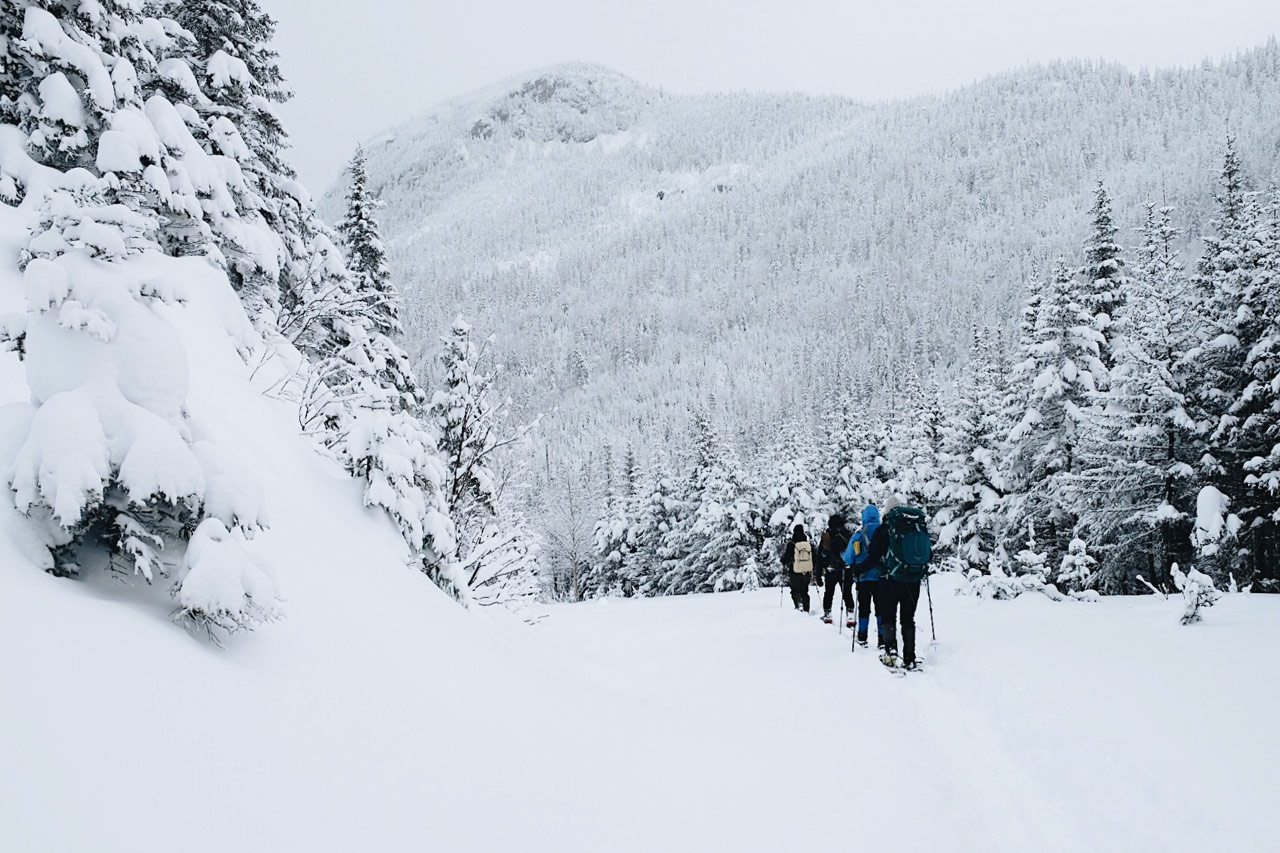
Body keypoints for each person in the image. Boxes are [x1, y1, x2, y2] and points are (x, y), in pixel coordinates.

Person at [858, 495, 928, 670]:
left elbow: (873, 558)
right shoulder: (914, 528)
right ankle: (910, 657)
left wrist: (858, 569)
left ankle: (891, 652)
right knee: (908, 619)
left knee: (889, 616)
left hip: (889, 580)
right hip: (913, 579)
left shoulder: (883, 530)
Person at [842, 503, 884, 647]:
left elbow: (848, 557)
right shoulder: (884, 532)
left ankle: (862, 636)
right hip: (881, 577)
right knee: (881, 609)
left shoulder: (859, 535)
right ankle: (882, 638)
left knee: (864, 608)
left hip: (863, 577)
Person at [818, 513, 854, 624]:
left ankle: (827, 614)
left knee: (829, 593)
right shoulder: (848, 535)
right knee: (847, 593)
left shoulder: (827, 536)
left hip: (831, 569)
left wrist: (818, 574)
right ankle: (850, 615)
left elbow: (820, 557)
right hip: (846, 569)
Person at [781, 523, 815, 612]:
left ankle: (799, 605)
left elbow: (786, 558)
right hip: (806, 571)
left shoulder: (791, 544)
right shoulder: (808, 544)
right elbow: (814, 557)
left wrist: (783, 561)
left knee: (795, 590)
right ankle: (806, 608)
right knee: (805, 591)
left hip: (794, 571)